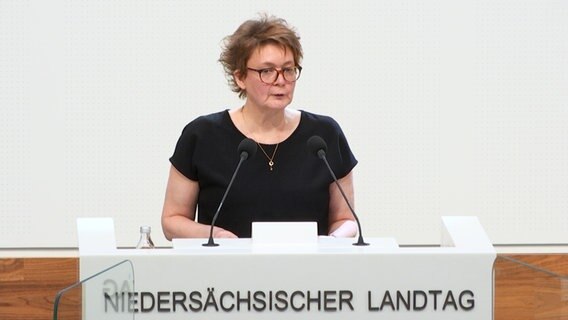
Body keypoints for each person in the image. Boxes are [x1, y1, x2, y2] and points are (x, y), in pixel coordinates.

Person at [161, 14, 358, 240]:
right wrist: (218, 236)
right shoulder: (202, 136)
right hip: (226, 269)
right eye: (267, 71)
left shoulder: (324, 135)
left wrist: (332, 241)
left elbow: (346, 220)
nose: (280, 80)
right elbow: (172, 221)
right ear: (240, 77)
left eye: (288, 69)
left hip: (308, 271)